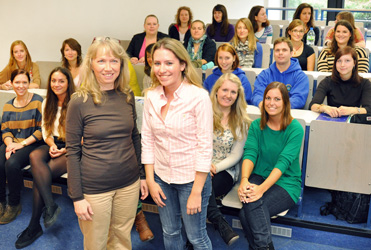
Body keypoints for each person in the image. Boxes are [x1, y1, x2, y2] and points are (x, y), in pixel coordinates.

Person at [66, 37, 145, 249]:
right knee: (96, 242)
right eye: (101, 61)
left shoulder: (127, 95)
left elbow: (134, 137)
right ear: (91, 64)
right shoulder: (79, 101)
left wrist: (142, 176)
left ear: (122, 64)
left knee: (121, 238)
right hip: (95, 189)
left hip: (128, 184)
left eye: (114, 61)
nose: (108, 68)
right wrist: (77, 197)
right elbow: (72, 152)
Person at [141, 38, 213, 250]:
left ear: (182, 65)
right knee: (169, 232)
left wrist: (197, 191)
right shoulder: (151, 96)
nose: (161, 69)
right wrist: (150, 179)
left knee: (196, 237)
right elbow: (147, 139)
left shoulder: (198, 97)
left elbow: (205, 146)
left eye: (169, 63)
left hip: (192, 180)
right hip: (162, 177)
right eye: (157, 63)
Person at [238, 81, 304, 250]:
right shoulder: (256, 125)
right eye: (268, 98)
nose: (271, 103)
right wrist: (244, 180)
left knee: (248, 214)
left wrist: (261, 189)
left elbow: (283, 163)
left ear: (285, 103)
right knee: (251, 209)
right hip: (259, 175)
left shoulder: (295, 128)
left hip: (286, 182)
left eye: (277, 99)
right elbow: (250, 153)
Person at [15, 67, 75, 249]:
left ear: (68, 82)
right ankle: (50, 205)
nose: (57, 84)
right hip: (53, 143)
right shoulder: (47, 101)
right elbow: (46, 130)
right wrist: (52, 145)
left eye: (61, 81)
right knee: (34, 155)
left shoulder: (76, 102)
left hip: (72, 147)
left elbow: (83, 135)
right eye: (54, 81)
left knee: (42, 174)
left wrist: (64, 150)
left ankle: (34, 226)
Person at [207, 73, 250, 246]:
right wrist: (203, 165)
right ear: (216, 91)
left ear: (238, 96)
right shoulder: (203, 112)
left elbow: (236, 155)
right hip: (199, 164)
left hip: (224, 171)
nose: (228, 95)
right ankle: (219, 221)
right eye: (224, 90)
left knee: (202, 189)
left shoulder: (241, 121)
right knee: (197, 186)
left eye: (233, 92)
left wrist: (214, 168)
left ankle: (192, 238)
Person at [0, 69, 43, 224]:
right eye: (17, 82)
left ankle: (14, 204)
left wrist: (21, 144)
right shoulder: (7, 106)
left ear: (29, 83)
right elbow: (5, 129)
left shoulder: (38, 101)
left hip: (31, 143)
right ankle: (1, 202)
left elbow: (42, 130)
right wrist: (10, 144)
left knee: (11, 164)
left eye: (24, 82)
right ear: (11, 84)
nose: (21, 86)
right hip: (12, 142)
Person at [310, 46, 371, 117]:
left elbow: (369, 109)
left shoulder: (365, 83)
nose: (342, 65)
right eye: (339, 61)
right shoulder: (327, 81)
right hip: (332, 120)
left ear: (354, 63)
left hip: (354, 123)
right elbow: (313, 105)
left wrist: (353, 110)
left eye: (347, 61)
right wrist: (324, 108)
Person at [251, 37, 309, 109]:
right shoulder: (264, 75)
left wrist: (277, 106)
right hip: (267, 113)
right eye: (277, 50)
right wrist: (262, 104)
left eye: (284, 50)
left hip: (289, 116)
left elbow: (298, 99)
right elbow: (257, 95)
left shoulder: (301, 77)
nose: (280, 53)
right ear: (274, 53)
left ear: (291, 53)